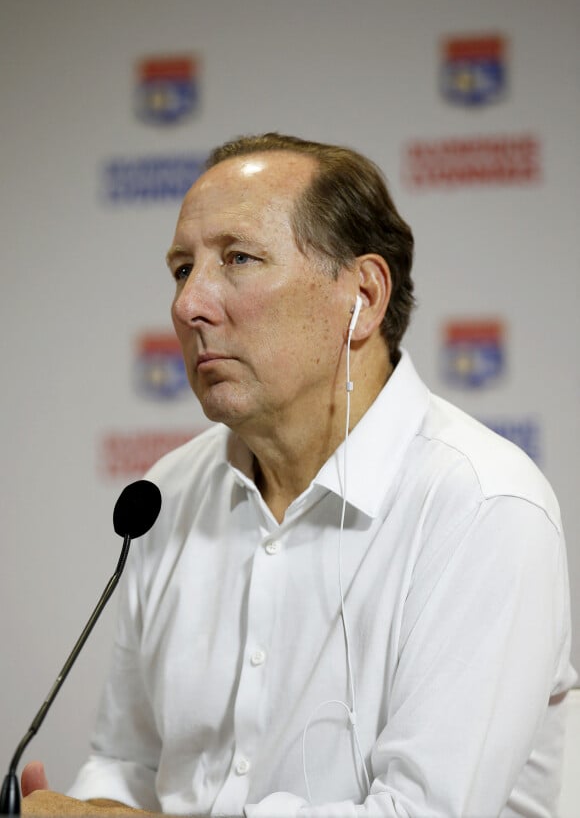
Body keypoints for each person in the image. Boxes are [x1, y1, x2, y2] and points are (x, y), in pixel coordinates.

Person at [22, 133, 576, 817]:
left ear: (363, 299)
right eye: (179, 269)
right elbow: (129, 765)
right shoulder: (166, 494)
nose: (188, 304)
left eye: (239, 259)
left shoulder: (483, 505)